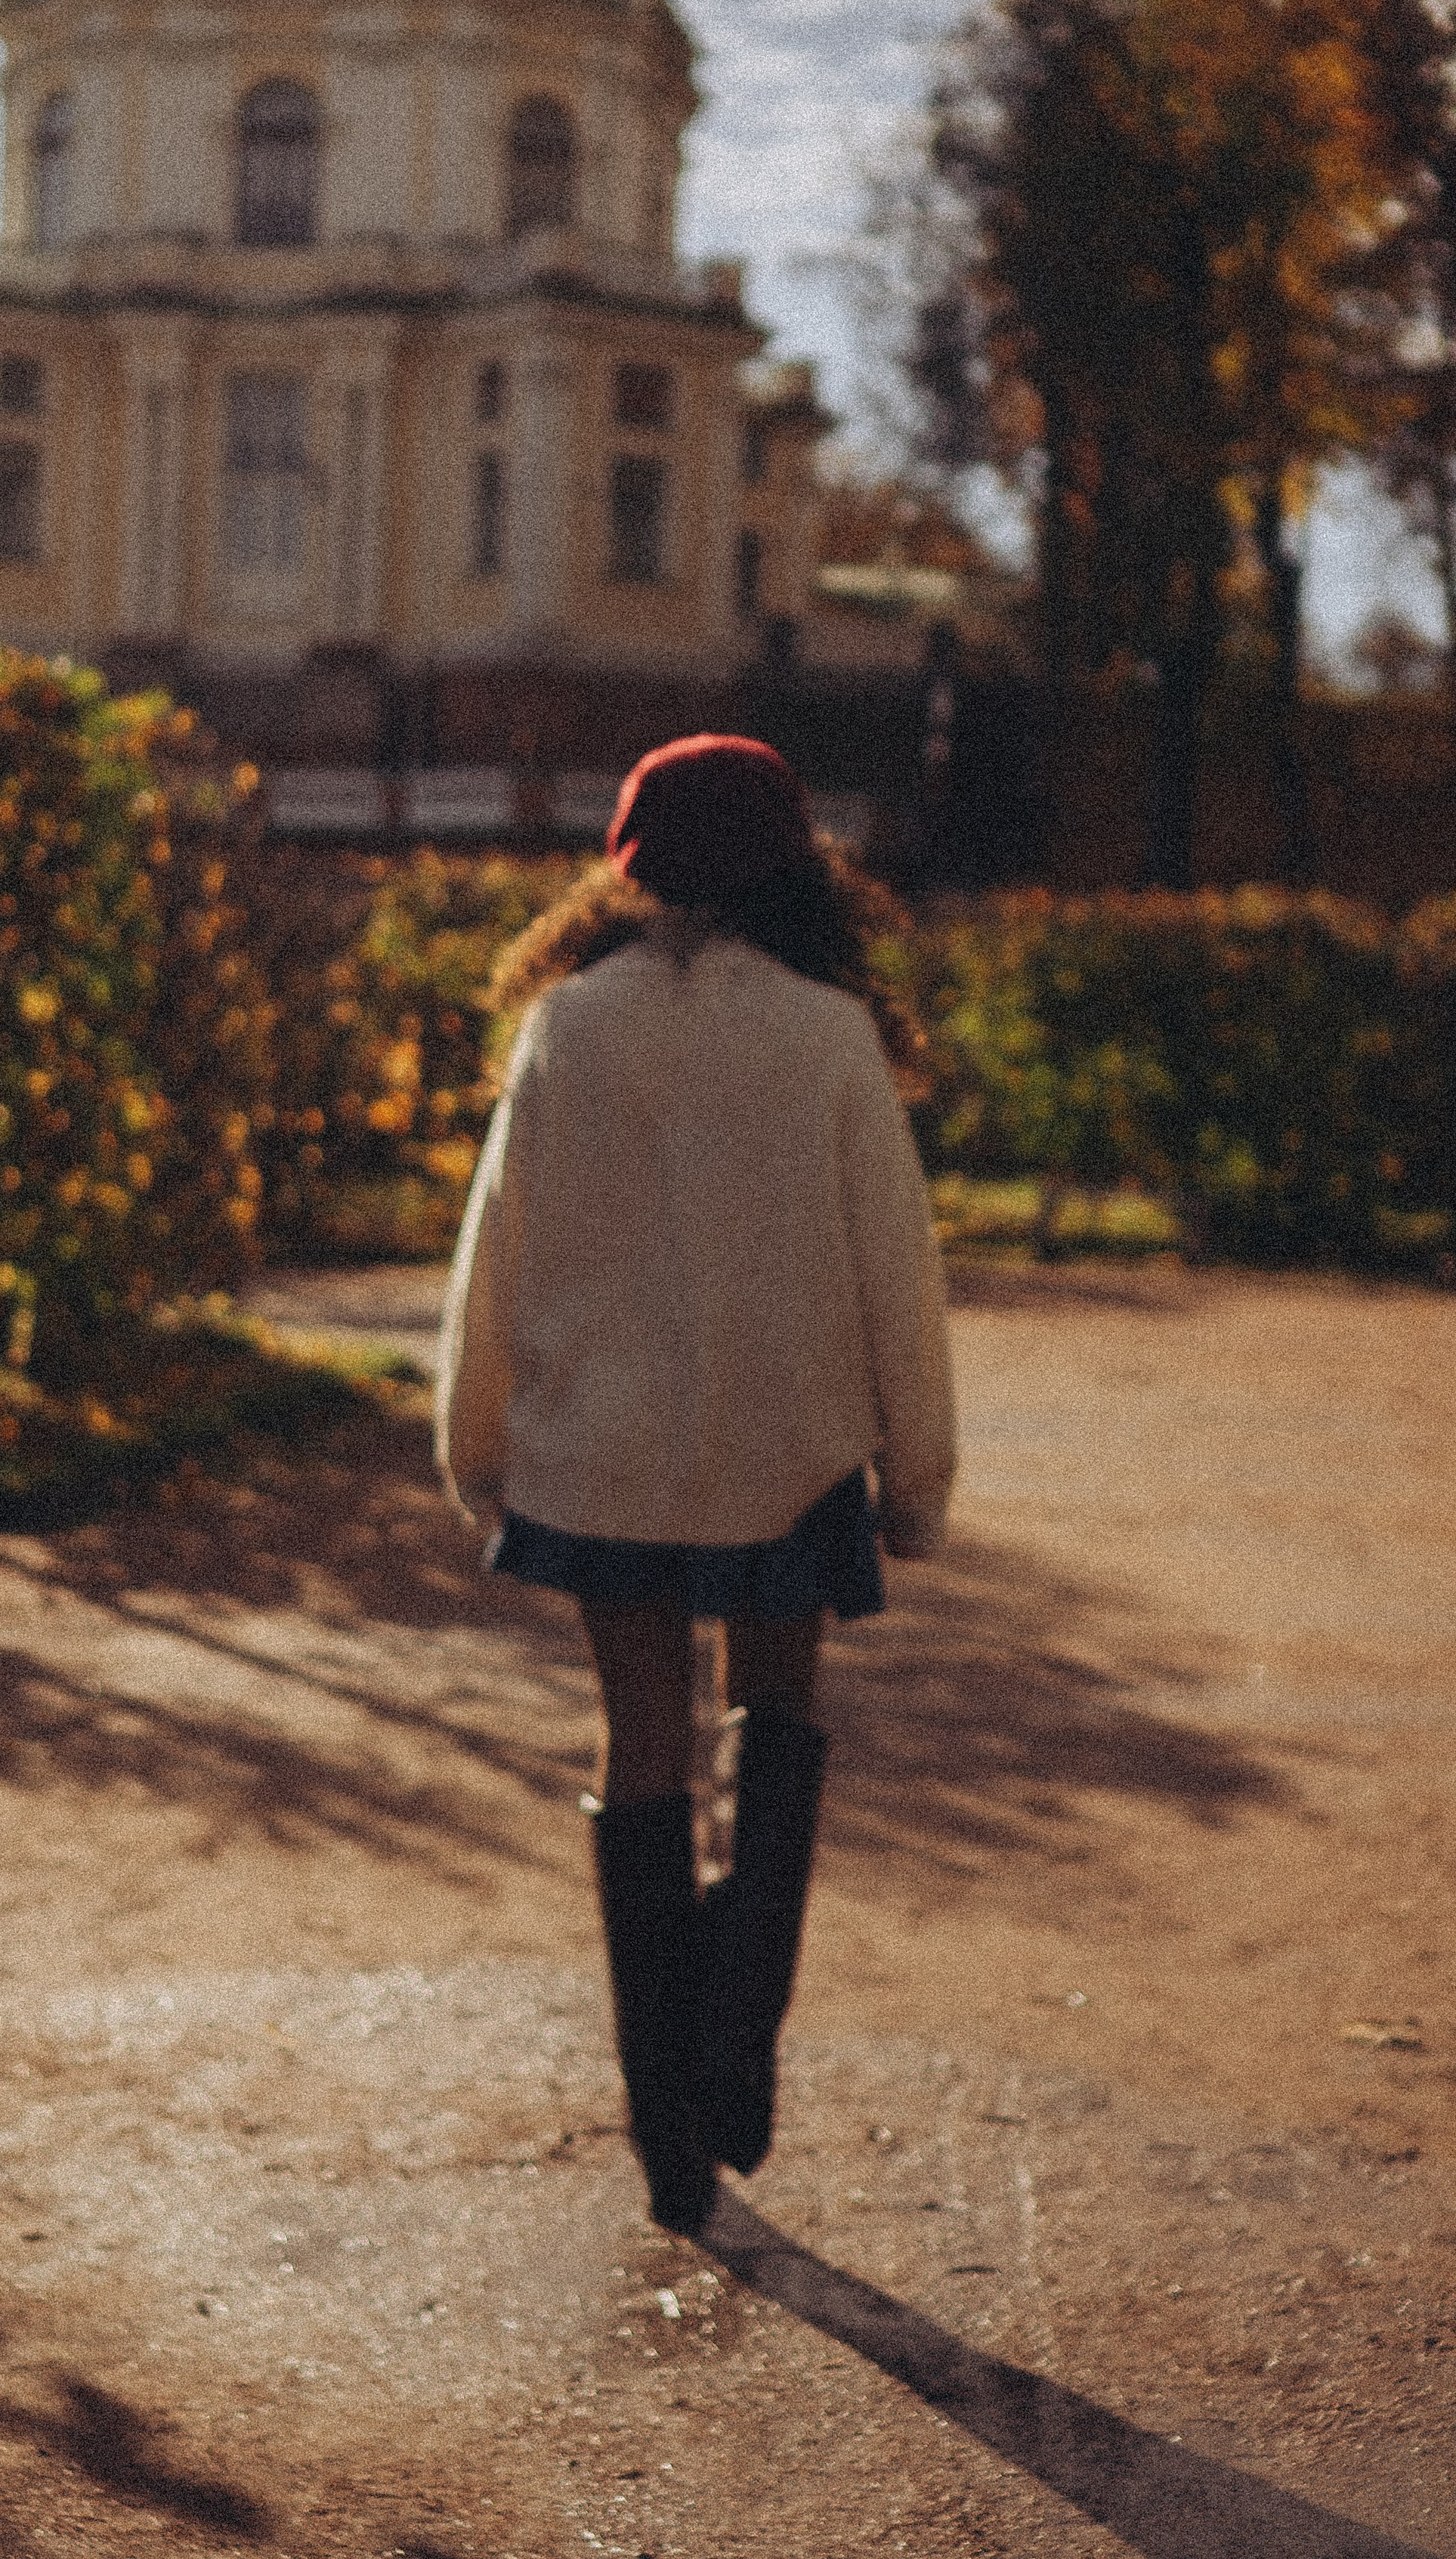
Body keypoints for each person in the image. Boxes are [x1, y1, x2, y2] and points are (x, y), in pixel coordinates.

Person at [434, 735, 957, 2239]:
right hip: (790, 1457)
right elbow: (894, 1273)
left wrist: (475, 1453)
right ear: (791, 864)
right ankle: (734, 2040)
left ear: (627, 862)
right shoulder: (825, 1034)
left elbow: (496, 1248)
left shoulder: (565, 1031)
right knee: (776, 1725)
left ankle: (666, 2132)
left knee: (640, 1745)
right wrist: (912, 1476)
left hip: (601, 1463)